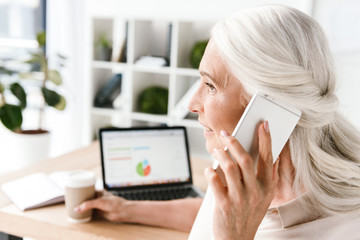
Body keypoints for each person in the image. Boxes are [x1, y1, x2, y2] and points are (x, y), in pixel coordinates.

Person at [76, 4, 360, 239]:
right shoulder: (238, 165)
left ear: (270, 105)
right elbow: (212, 214)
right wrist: (125, 209)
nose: (191, 104)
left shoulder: (346, 227)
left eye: (210, 85)